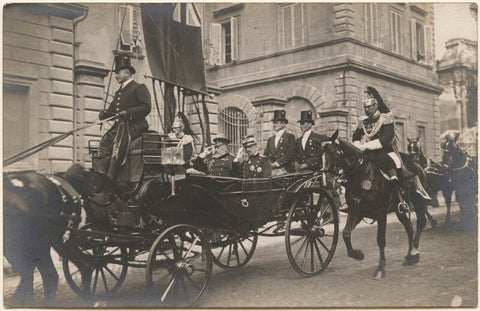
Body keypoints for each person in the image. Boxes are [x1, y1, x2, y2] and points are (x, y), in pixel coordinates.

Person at [94, 54, 151, 181]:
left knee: (118, 145)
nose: (116, 76)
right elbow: (113, 112)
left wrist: (128, 113)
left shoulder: (138, 87)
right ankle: (100, 174)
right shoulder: (119, 92)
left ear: (127, 73)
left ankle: (111, 177)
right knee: (104, 142)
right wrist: (105, 114)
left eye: (118, 73)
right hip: (120, 126)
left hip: (135, 125)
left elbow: (146, 107)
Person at [264, 110, 296, 176]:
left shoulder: (290, 137)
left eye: (276, 122)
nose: (274, 125)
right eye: (273, 123)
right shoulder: (271, 139)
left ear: (283, 124)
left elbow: (290, 154)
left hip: (286, 169)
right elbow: (266, 155)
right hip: (272, 169)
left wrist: (277, 163)